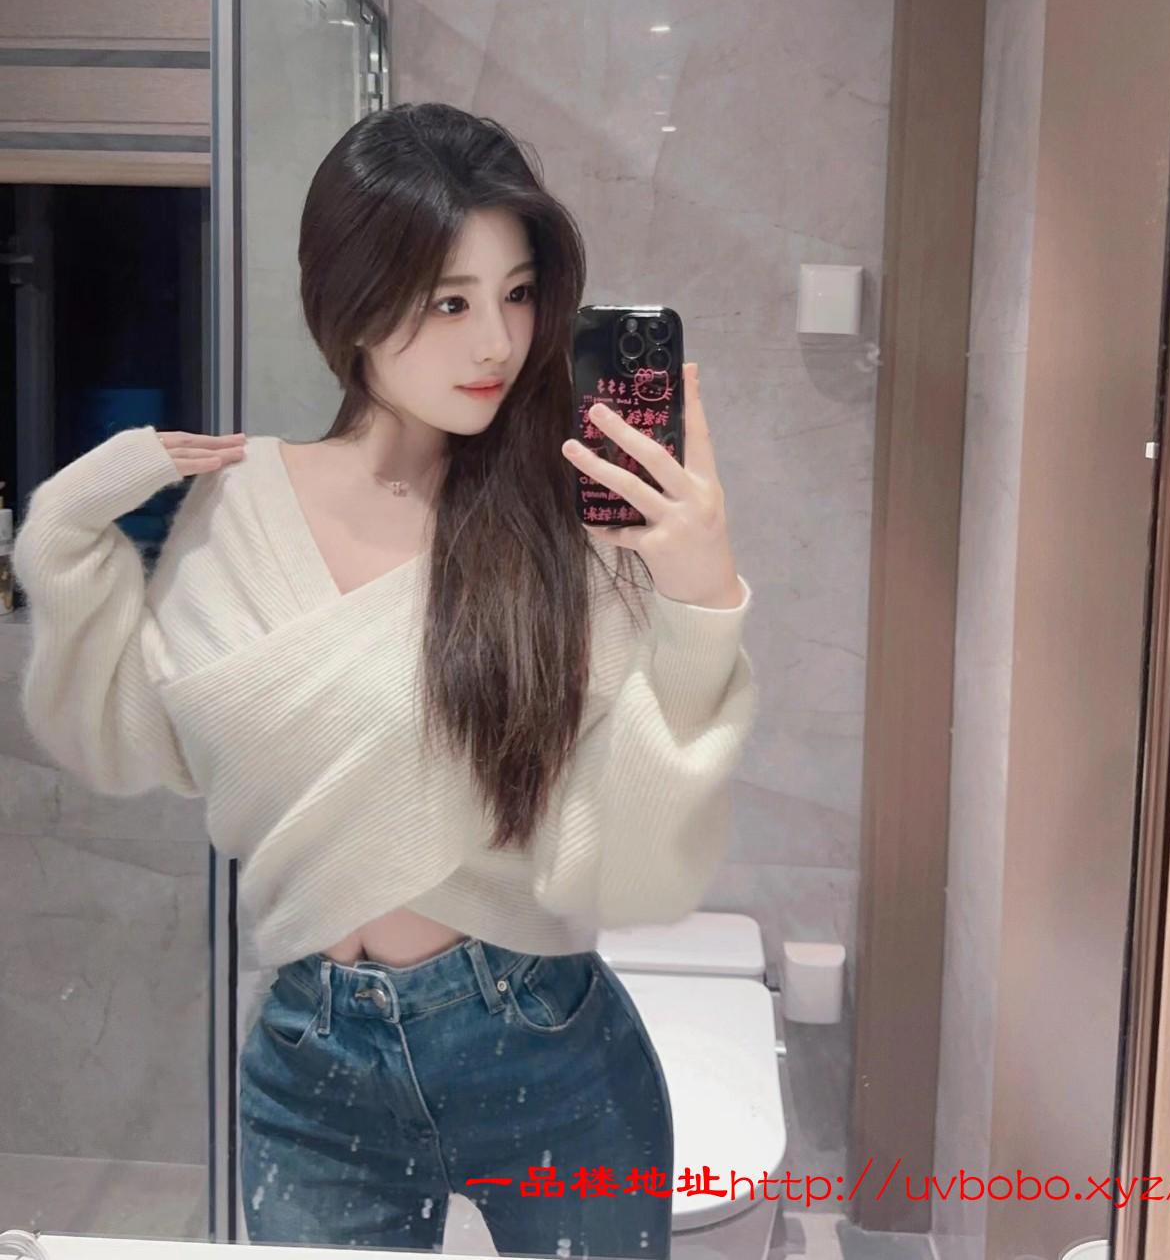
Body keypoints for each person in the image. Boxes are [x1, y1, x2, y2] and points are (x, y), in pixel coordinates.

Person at [12, 101, 756, 1256]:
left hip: (541, 1040)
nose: (497, 343)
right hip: (314, 1068)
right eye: (450, 302)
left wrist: (700, 594)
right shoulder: (241, 504)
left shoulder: (563, 522)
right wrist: (63, 528)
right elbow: (136, 738)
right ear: (352, 303)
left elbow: (642, 850)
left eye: (518, 293)